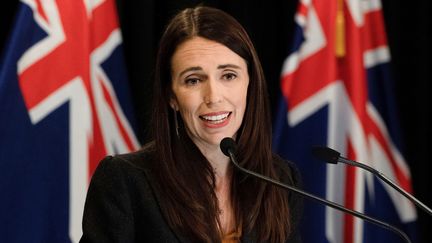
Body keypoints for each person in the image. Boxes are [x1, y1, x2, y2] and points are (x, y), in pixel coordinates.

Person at [80, 6, 302, 243]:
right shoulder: (125, 181)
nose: (214, 97)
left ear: (250, 83)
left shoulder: (279, 180)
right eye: (193, 80)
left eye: (228, 75)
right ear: (171, 96)